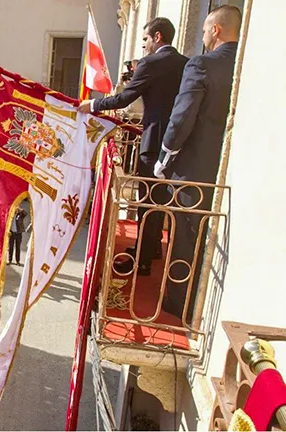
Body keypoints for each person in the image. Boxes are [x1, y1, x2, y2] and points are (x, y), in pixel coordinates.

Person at [79, 17, 188, 276]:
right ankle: (152, 250)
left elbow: (126, 98)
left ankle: (143, 261)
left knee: (146, 201)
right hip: (178, 142)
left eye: (146, 40)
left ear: (157, 37)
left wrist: (93, 105)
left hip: (153, 143)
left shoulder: (150, 64)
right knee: (160, 200)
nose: (144, 46)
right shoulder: (186, 63)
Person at [154, 5, 242, 319]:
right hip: (223, 167)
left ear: (216, 30)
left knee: (184, 234)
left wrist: (165, 155)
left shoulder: (201, 65)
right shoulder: (246, 65)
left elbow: (181, 118)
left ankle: (177, 306)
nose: (202, 36)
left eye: (204, 29)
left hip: (193, 168)